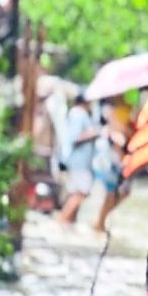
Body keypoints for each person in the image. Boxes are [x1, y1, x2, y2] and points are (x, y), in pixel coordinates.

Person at [91, 96, 133, 233]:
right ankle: (99, 223)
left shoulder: (127, 107)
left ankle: (100, 222)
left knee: (121, 192)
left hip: (121, 156)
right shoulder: (109, 110)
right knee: (112, 192)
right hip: (112, 158)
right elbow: (120, 132)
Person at [57, 92, 99, 225]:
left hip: (78, 161)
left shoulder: (76, 114)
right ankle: (62, 221)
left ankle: (68, 223)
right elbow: (75, 138)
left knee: (76, 192)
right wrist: (94, 134)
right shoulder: (78, 114)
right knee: (81, 192)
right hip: (79, 161)